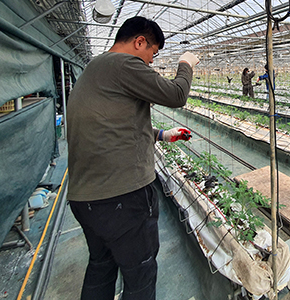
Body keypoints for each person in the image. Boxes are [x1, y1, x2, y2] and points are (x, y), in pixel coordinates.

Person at [66, 16, 199, 300]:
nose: (151, 61)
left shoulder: (96, 69)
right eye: (153, 52)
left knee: (101, 267)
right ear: (140, 41)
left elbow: (114, 126)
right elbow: (177, 94)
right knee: (140, 274)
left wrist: (163, 134)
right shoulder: (124, 64)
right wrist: (186, 64)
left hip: (87, 199)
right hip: (121, 198)